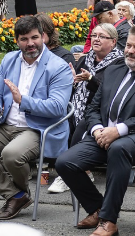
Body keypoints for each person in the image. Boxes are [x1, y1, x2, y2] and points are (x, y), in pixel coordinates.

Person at [56, 24, 135, 236]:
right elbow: (93, 108)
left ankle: (108, 220)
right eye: (128, 45)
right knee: (65, 162)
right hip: (104, 136)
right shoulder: (114, 71)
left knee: (118, 148)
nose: (130, 51)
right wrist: (97, 130)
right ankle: (97, 209)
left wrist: (118, 130)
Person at [0, 16, 72, 221]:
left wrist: (23, 100)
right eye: (24, 39)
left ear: (43, 36)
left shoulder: (58, 66)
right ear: (16, 40)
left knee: (11, 155)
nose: (30, 43)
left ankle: (16, 197)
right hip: (5, 124)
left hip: (38, 128)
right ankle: (16, 195)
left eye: (34, 37)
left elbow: (57, 107)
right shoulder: (9, 60)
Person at [47, 23, 125, 195]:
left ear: (113, 42)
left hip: (101, 112)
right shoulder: (85, 59)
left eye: (102, 36)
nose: (96, 39)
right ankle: (79, 171)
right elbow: (75, 84)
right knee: (61, 120)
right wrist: (71, 80)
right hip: (77, 107)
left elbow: (112, 92)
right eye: (94, 36)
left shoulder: (119, 63)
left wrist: (91, 79)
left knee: (83, 124)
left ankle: (69, 174)